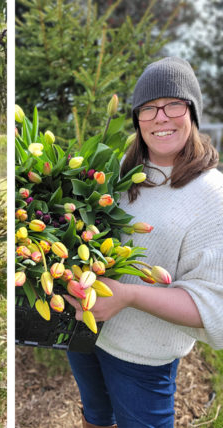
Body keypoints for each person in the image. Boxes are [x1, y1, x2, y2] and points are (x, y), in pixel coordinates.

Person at [64, 56, 223, 428]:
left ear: (193, 112)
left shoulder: (212, 195)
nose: (161, 117)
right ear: (136, 119)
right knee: (96, 417)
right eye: (148, 108)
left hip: (142, 357)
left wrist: (130, 295)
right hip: (85, 332)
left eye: (173, 104)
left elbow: (216, 305)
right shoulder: (120, 172)